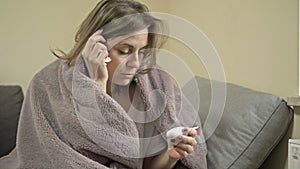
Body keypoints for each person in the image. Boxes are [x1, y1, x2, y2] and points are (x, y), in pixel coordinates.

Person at [0, 0, 207, 168]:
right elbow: (49, 156)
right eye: (124, 51)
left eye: (141, 51)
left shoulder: (151, 90)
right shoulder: (48, 84)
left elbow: (140, 165)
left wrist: (170, 155)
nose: (136, 63)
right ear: (96, 44)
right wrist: (98, 84)